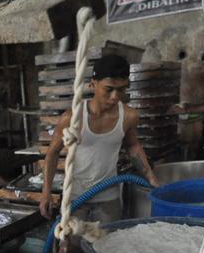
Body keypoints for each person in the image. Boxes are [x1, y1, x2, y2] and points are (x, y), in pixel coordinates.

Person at [39, 54, 159, 224]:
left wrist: (152, 180)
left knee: (106, 245)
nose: (115, 96)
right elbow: (52, 154)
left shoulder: (129, 116)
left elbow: (133, 146)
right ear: (93, 83)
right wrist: (46, 193)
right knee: (71, 247)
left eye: (122, 89)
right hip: (76, 198)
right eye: (109, 89)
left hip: (109, 199)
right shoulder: (73, 118)